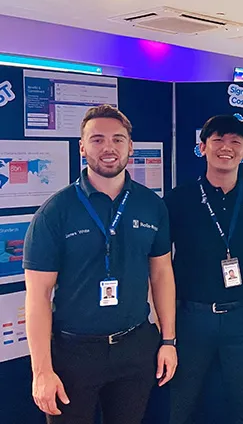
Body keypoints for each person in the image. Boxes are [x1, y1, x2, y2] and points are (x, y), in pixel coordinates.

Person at [23, 104, 177, 424]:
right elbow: (37, 295)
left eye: (118, 139)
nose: (108, 148)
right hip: (73, 353)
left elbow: (162, 273)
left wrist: (168, 340)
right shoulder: (56, 212)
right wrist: (42, 371)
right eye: (97, 140)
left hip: (135, 347)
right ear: (82, 147)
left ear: (130, 147)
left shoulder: (151, 205)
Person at [164, 115, 243, 424]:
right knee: (182, 400)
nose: (226, 148)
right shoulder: (178, 199)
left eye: (235, 143)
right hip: (191, 317)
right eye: (217, 141)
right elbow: (159, 262)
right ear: (202, 147)